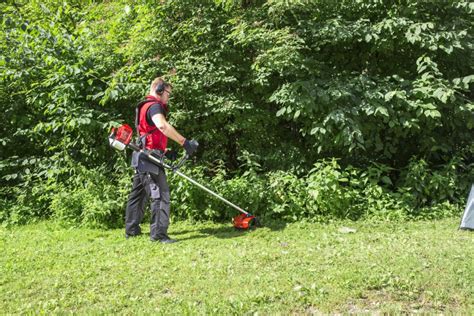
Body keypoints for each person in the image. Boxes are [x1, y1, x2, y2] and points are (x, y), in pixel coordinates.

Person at [125, 77, 198, 243]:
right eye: (167, 93)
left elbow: (149, 133)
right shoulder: (155, 106)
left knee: (138, 194)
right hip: (150, 158)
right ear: (159, 90)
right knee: (160, 193)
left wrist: (165, 151)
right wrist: (184, 143)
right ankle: (158, 235)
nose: (168, 97)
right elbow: (162, 126)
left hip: (143, 155)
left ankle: (131, 230)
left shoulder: (144, 106)